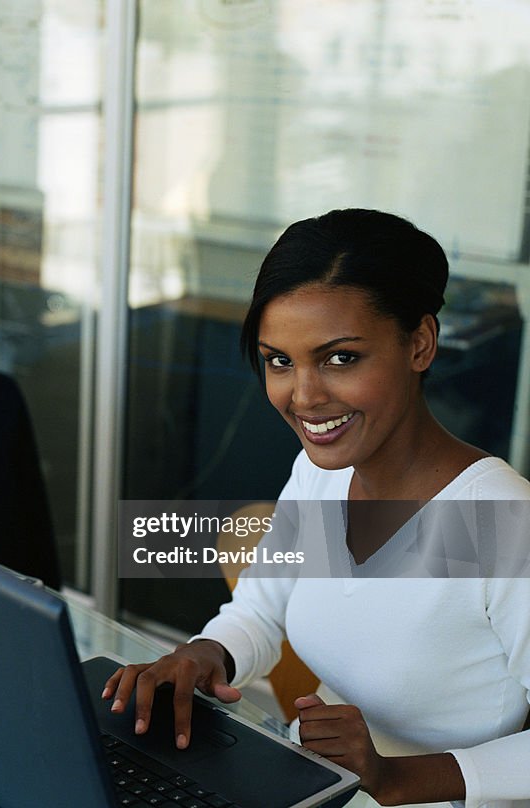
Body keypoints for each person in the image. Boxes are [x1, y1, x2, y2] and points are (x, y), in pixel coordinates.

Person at [103, 209, 530, 808]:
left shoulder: (502, 522)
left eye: (340, 358)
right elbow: (260, 608)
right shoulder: (324, 473)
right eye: (279, 361)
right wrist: (204, 655)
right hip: (311, 784)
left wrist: (395, 777)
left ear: (420, 344)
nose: (303, 397)